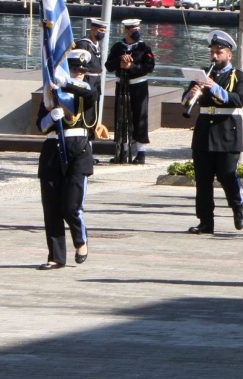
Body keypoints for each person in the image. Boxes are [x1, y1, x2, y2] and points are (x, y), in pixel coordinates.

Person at [182, 30, 243, 235]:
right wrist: (191, 94)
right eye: (212, 52)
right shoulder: (203, 74)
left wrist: (212, 88)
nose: (214, 56)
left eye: (219, 52)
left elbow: (239, 100)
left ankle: (238, 206)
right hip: (204, 131)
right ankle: (205, 221)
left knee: (227, 176)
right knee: (202, 180)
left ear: (229, 54)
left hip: (227, 130)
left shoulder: (239, 76)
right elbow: (185, 100)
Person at [36, 49, 97, 270]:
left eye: (82, 71)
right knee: (51, 207)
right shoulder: (51, 94)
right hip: (53, 148)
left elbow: (89, 94)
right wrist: (51, 117)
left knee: (71, 205)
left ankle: (80, 241)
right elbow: (40, 126)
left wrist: (65, 84)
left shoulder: (86, 91)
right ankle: (56, 256)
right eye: (74, 70)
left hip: (78, 150)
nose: (79, 73)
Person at [105, 18, 155, 164]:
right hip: (122, 85)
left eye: (138, 29)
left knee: (140, 116)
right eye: (134, 30)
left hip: (138, 85)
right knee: (121, 117)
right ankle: (123, 149)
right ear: (126, 30)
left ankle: (141, 151)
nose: (137, 32)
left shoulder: (144, 47)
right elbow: (109, 65)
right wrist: (120, 62)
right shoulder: (118, 47)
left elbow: (149, 67)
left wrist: (131, 67)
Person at [75, 18, 107, 100]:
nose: (102, 33)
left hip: (96, 81)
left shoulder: (96, 45)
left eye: (104, 31)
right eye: (101, 30)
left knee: (94, 109)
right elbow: (78, 66)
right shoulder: (83, 44)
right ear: (93, 29)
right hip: (86, 80)